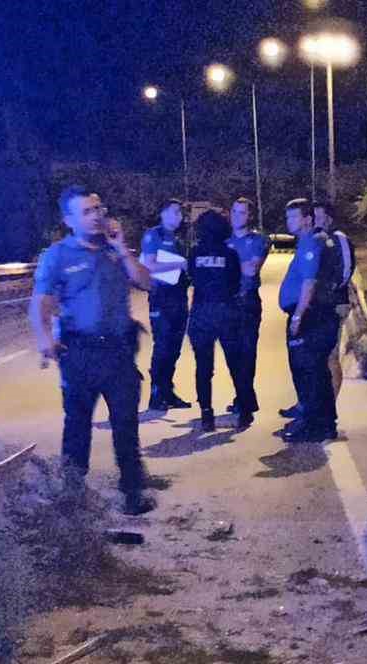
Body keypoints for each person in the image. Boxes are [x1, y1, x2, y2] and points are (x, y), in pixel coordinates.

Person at [30, 186, 156, 515]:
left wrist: (124, 250)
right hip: (80, 353)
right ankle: (72, 495)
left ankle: (132, 492)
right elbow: (41, 302)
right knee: (77, 425)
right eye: (86, 211)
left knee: (126, 424)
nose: (96, 216)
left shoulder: (115, 250)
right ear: (69, 220)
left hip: (118, 352)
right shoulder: (57, 256)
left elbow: (146, 282)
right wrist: (45, 339)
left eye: (98, 208)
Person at [275, 198, 344, 442]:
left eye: (294, 217)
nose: (289, 221)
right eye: (288, 217)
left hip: (309, 316)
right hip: (315, 315)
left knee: (309, 372)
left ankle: (314, 425)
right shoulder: (311, 241)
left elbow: (309, 282)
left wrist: (298, 316)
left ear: (307, 219)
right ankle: (322, 423)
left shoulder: (311, 243)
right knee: (316, 372)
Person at [186, 210, 256, 431]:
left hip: (201, 313)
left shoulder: (194, 253)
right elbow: (236, 282)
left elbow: (192, 278)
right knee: (236, 364)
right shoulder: (230, 254)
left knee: (203, 367)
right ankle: (244, 411)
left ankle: (206, 414)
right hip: (226, 312)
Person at [140, 199, 192, 411]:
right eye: (175, 212)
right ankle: (156, 394)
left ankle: (168, 391)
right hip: (161, 297)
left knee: (174, 348)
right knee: (162, 346)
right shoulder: (154, 235)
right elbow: (150, 265)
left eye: (181, 213)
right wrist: (179, 263)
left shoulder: (179, 239)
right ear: (163, 213)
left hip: (179, 296)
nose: (179, 216)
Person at [225, 197, 269, 416]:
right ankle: (244, 397)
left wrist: (226, 266)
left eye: (242, 212)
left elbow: (252, 270)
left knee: (247, 352)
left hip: (247, 301)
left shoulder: (259, 240)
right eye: (234, 211)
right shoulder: (225, 240)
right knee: (232, 354)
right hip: (228, 303)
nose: (236, 216)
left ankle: (245, 399)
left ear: (250, 216)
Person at [314, 201, 356, 400]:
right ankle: (314, 404)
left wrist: (331, 289)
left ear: (328, 218)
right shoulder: (318, 239)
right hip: (320, 305)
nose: (315, 220)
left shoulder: (339, 238)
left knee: (330, 356)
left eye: (318, 216)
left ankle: (330, 405)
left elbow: (346, 269)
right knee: (317, 357)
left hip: (335, 304)